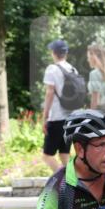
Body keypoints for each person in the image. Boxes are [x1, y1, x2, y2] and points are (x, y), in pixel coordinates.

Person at [40, 39, 79, 172]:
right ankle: (72, 182)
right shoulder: (73, 69)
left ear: (53, 53)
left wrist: (45, 117)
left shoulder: (52, 69)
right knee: (64, 154)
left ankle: (64, 180)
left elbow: (50, 92)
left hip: (56, 118)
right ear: (65, 53)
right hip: (71, 118)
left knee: (47, 156)